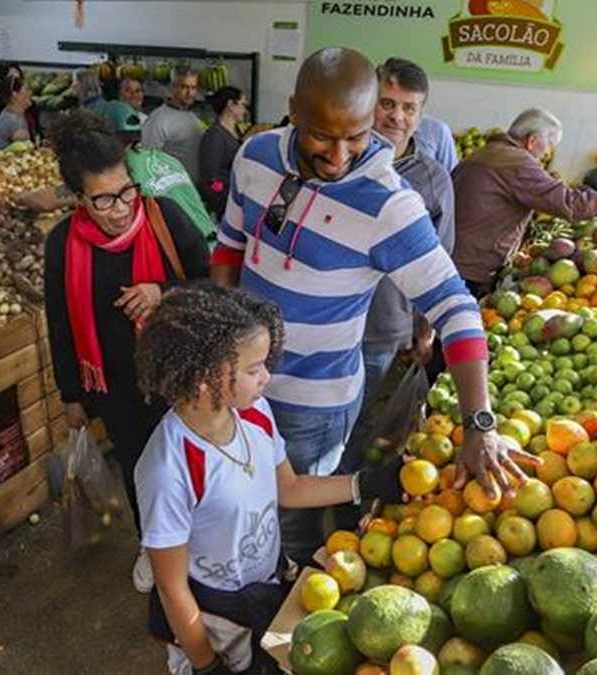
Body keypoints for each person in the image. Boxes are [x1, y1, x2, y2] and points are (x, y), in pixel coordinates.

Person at [210, 47, 541, 564]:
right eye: (322, 135)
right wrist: (224, 351)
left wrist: (480, 421)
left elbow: (457, 307)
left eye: (357, 137)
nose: (339, 156)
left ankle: (268, 619)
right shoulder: (254, 157)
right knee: (235, 498)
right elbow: (230, 246)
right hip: (239, 385)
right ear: (294, 111)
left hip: (312, 404)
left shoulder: (390, 203)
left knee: (287, 525)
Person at [134, 282, 403, 675]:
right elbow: (173, 589)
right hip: (213, 619)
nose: (266, 377)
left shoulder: (255, 413)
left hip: (265, 589)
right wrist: (206, 664)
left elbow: (288, 488)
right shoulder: (168, 468)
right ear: (204, 377)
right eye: (253, 368)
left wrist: (365, 484)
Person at [42, 108, 210, 595]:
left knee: (190, 466)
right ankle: (153, 547)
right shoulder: (63, 245)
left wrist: (164, 291)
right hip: (115, 387)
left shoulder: (164, 219)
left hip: (179, 377)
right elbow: (60, 322)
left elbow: (211, 283)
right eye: (103, 200)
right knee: (142, 472)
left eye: (126, 191)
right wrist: (71, 395)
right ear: (77, 198)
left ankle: (200, 546)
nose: (119, 208)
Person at [452, 107, 597, 297]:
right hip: (471, 269)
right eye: (549, 146)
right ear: (533, 141)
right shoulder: (516, 162)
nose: (547, 153)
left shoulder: (484, 153)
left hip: (452, 258)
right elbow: (572, 204)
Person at [354, 57, 456, 444]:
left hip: (382, 328)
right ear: (369, 103)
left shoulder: (433, 179)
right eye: (387, 103)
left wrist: (426, 332)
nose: (396, 116)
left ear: (420, 114)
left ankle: (338, 496)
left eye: (408, 107)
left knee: (359, 424)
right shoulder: (341, 161)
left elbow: (440, 265)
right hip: (323, 323)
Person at [18, 110, 218, 247]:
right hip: (214, 245)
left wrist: (14, 197)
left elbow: (45, 201)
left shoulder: (113, 174)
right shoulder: (164, 158)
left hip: (189, 261)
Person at [141, 66, 203, 182]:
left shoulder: (192, 117)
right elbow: (147, 159)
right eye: (184, 87)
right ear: (172, 88)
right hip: (172, 191)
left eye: (193, 88)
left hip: (193, 189)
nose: (190, 93)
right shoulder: (158, 120)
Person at [199, 86, 247, 218]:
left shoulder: (236, 133)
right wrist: (223, 201)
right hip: (225, 206)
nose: (245, 109)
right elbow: (210, 178)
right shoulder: (215, 136)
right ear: (231, 104)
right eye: (242, 104)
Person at [0, 76, 35, 150]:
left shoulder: (16, 115)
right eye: (27, 90)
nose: (31, 93)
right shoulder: (13, 121)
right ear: (15, 95)